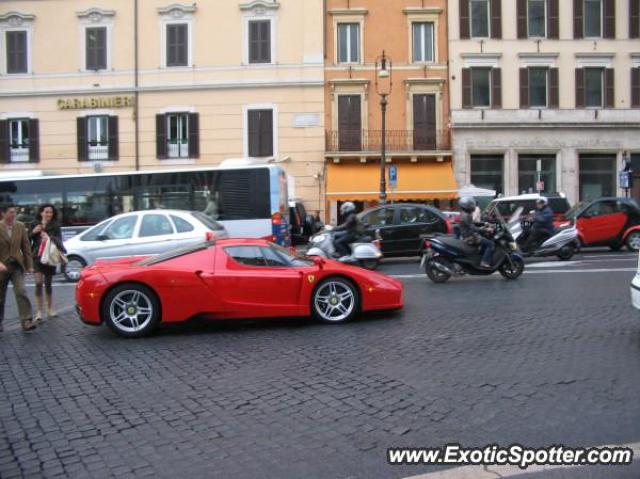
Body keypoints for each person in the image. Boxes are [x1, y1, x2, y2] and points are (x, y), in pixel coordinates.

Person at [0, 204, 35, 332]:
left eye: (14, 212)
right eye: (10, 212)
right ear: (3, 214)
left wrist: (29, 265)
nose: (13, 214)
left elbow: (26, 248)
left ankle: (26, 320)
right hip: (2, 267)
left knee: (21, 291)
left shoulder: (20, 226)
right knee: (0, 296)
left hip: (16, 266)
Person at [30, 204, 66, 321]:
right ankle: (39, 311)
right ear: (41, 213)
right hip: (37, 256)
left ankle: (50, 308)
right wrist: (33, 232)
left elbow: (60, 241)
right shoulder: (35, 223)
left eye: (50, 212)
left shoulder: (55, 225)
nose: (48, 214)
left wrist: (49, 237)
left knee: (48, 283)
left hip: (50, 257)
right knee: (38, 282)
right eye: (46, 212)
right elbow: (26, 239)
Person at [458, 197, 494, 269]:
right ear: (467, 205)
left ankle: (480, 256)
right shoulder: (466, 215)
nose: (473, 206)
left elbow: (473, 224)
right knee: (490, 244)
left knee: (485, 240)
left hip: (468, 235)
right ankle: (484, 262)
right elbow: (473, 228)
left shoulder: (465, 214)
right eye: (471, 205)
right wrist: (486, 229)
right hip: (469, 237)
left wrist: (484, 223)